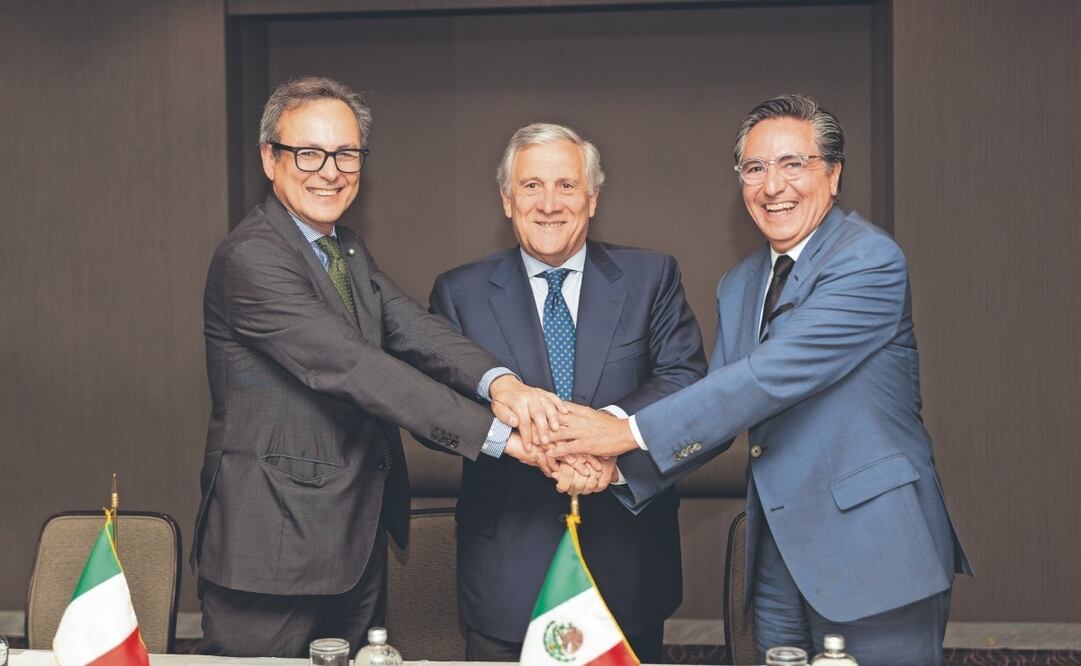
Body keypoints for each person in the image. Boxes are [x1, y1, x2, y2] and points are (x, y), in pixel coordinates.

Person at [547, 94, 972, 665]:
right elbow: (721, 409)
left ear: (834, 174)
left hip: (873, 552)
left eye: (793, 164)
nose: (773, 186)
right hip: (777, 555)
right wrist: (619, 468)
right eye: (754, 168)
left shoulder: (869, 261)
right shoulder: (740, 283)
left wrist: (622, 432)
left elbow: (766, 378)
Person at [191, 77, 572, 658]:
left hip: (354, 537)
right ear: (270, 158)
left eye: (346, 154)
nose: (330, 172)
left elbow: (413, 328)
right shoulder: (252, 257)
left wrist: (505, 385)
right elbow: (355, 368)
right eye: (308, 153)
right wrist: (505, 439)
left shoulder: (342, 246)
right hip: (273, 549)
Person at [429, 123, 707, 662]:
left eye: (567, 185)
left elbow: (685, 378)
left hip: (628, 568)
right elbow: (440, 407)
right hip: (507, 574)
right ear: (507, 200)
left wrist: (604, 434)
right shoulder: (458, 293)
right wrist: (525, 440)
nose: (549, 204)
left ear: (593, 198)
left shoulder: (652, 276)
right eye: (531, 186)